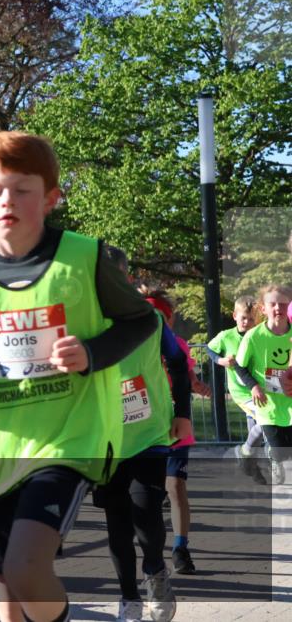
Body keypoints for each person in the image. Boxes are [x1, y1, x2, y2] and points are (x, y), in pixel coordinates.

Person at [0, 131, 157, 622]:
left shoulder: (86, 257)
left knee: (24, 565)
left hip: (68, 438)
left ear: (50, 198)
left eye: (22, 190)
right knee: (4, 573)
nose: (8, 201)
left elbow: (141, 320)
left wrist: (91, 352)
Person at [96, 246, 192, 622]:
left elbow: (179, 363)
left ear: (127, 278)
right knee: (117, 521)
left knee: (146, 514)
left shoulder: (150, 318)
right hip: (104, 439)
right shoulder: (83, 321)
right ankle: (128, 598)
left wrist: (183, 414)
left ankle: (155, 570)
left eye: (114, 276)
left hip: (149, 432)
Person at [138, 287, 199, 575]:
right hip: (145, 429)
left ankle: (180, 547)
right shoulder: (133, 344)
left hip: (175, 426)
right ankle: (151, 555)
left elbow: (186, 376)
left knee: (175, 486)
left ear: (169, 319)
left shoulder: (179, 345)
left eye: (161, 316)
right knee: (148, 495)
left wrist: (196, 385)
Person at [236, 284, 292, 485]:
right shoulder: (254, 336)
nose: (278, 308)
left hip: (290, 403)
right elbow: (240, 366)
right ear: (263, 308)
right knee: (280, 453)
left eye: (283, 304)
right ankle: (276, 462)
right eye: (273, 304)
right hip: (268, 406)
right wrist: (254, 386)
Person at [206, 296, 266, 484]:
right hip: (241, 392)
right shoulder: (226, 336)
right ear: (234, 316)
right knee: (266, 421)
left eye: (251, 319)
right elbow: (209, 349)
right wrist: (221, 360)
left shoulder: (258, 335)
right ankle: (244, 452)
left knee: (255, 431)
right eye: (243, 318)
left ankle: (251, 466)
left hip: (260, 388)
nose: (247, 322)